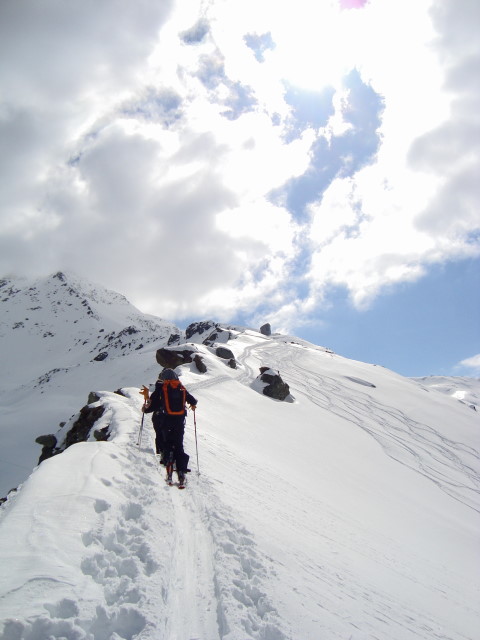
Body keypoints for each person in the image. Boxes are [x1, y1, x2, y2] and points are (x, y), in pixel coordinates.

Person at [143, 368, 197, 484]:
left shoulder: (161, 388)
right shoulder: (180, 387)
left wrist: (145, 406)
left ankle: (168, 466)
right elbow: (193, 400)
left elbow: (151, 406)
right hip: (179, 422)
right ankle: (181, 472)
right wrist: (192, 405)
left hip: (166, 421)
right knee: (179, 444)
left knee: (166, 443)